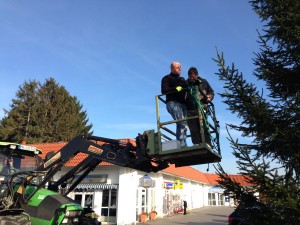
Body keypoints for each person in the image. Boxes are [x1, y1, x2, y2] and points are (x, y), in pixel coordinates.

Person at [161, 62, 188, 148]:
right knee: (181, 122)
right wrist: (175, 89)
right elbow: (164, 90)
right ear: (172, 69)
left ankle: (182, 143)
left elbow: (188, 87)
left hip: (183, 104)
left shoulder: (182, 79)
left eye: (180, 67)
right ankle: (182, 145)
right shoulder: (166, 78)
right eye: (178, 67)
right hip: (172, 103)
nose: (180, 69)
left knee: (184, 124)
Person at [186, 67, 214, 146]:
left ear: (197, 75)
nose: (192, 78)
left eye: (193, 77)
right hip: (190, 109)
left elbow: (211, 92)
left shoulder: (204, 82)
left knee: (204, 126)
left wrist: (209, 97)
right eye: (190, 77)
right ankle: (197, 145)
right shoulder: (186, 83)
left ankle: (207, 144)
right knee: (193, 128)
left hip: (202, 107)